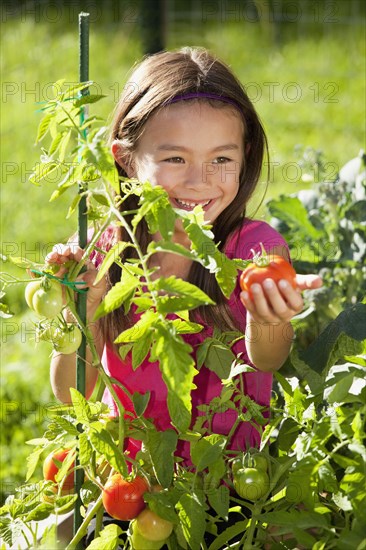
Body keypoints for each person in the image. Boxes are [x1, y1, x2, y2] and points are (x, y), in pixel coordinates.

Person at [46, 47, 322, 544]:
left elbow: (268, 357)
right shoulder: (104, 252)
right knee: (67, 516)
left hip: (231, 482)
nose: (199, 180)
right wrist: (81, 317)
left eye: (221, 159)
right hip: (131, 480)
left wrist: (267, 314)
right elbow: (72, 395)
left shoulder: (250, 247)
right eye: (174, 158)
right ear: (125, 159)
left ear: (245, 159)